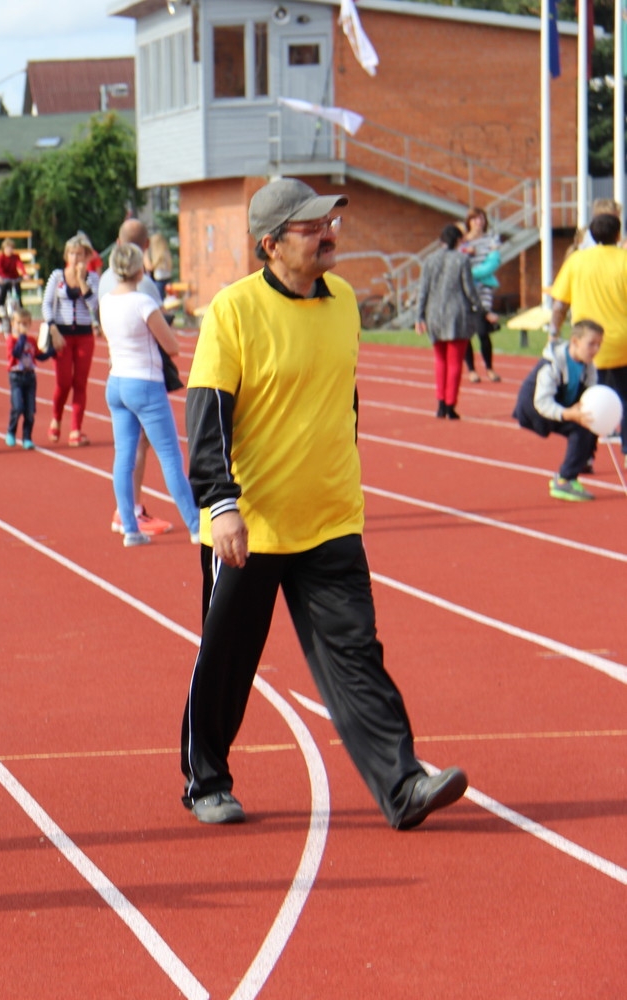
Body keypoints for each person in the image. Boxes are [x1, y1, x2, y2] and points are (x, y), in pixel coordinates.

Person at [180, 178, 468, 830]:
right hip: (252, 525)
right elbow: (208, 419)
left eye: (328, 221)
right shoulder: (234, 311)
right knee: (227, 656)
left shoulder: (342, 302)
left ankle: (403, 785)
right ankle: (206, 780)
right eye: (310, 227)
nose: (327, 232)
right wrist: (221, 504)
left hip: (332, 519)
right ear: (271, 245)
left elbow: (345, 398)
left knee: (357, 654)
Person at [98, 242, 199, 548]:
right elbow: (172, 346)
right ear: (140, 269)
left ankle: (129, 527)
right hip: (145, 383)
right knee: (170, 457)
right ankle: (195, 525)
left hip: (116, 381)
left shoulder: (106, 301)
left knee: (124, 458)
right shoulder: (143, 302)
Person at [102, 219, 177, 537]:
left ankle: (128, 512)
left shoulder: (106, 280)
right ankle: (130, 510)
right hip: (142, 376)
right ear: (145, 249)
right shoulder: (142, 286)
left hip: (117, 371)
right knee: (156, 449)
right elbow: (164, 337)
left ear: (118, 241)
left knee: (127, 448)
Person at [550, 213, 627, 440]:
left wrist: (553, 335)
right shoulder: (624, 259)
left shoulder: (576, 261)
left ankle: (585, 454)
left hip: (587, 344)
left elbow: (559, 305)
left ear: (591, 235)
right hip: (622, 341)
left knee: (585, 399)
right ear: (618, 234)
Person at [513, 320, 605, 501]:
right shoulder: (552, 364)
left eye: (599, 345)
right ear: (575, 342)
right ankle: (564, 481)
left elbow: (592, 392)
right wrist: (569, 414)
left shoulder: (589, 367)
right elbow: (542, 402)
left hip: (560, 405)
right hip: (534, 410)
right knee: (580, 428)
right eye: (591, 344)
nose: (595, 349)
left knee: (589, 421)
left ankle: (581, 461)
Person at [415, 223, 483, 420]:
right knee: (454, 363)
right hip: (456, 315)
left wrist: (419, 316)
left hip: (434, 314)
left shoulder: (429, 260)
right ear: (458, 241)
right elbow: (469, 289)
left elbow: (423, 291)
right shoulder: (461, 260)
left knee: (440, 360)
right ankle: (450, 404)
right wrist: (480, 308)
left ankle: (440, 403)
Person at [43, 233, 102, 447]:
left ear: (86, 257)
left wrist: (81, 281)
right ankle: (56, 418)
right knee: (63, 381)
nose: (76, 258)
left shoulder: (93, 278)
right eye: (72, 254)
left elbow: (95, 305)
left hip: (84, 335)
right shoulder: (57, 276)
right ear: (66, 255)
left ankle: (76, 428)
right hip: (62, 335)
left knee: (80, 382)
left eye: (80, 254)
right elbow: (47, 303)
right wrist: (52, 327)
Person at [459, 208, 502, 383]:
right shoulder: (462, 242)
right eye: (474, 219)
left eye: (481, 218)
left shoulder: (492, 239)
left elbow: (493, 263)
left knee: (483, 330)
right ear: (468, 221)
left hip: (483, 288)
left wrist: (473, 273)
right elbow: (458, 264)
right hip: (464, 289)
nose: (478, 222)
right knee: (466, 331)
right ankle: (471, 369)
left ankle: (489, 368)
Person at [3, 306, 53, 449]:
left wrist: (52, 351)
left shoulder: (31, 340)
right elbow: (16, 353)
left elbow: (39, 355)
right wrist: (22, 337)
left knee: (30, 410)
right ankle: (11, 431)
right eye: (19, 323)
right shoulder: (11, 340)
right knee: (18, 406)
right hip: (16, 377)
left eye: (25, 324)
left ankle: (27, 437)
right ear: (13, 324)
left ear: (30, 324)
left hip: (30, 376)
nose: (22, 326)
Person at [0, 236, 24, 315]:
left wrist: (25, 274)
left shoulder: (16, 257)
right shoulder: (1, 257)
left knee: (18, 292)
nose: (9, 250)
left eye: (11, 248)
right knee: (1, 292)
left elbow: (20, 265)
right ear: (4, 249)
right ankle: (0, 307)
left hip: (13, 279)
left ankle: (20, 308)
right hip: (3, 279)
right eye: (7, 248)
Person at [148, 232, 175, 300]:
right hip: (168, 278)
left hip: (159, 280)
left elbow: (151, 267)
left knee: (159, 300)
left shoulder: (157, 256)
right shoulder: (166, 253)